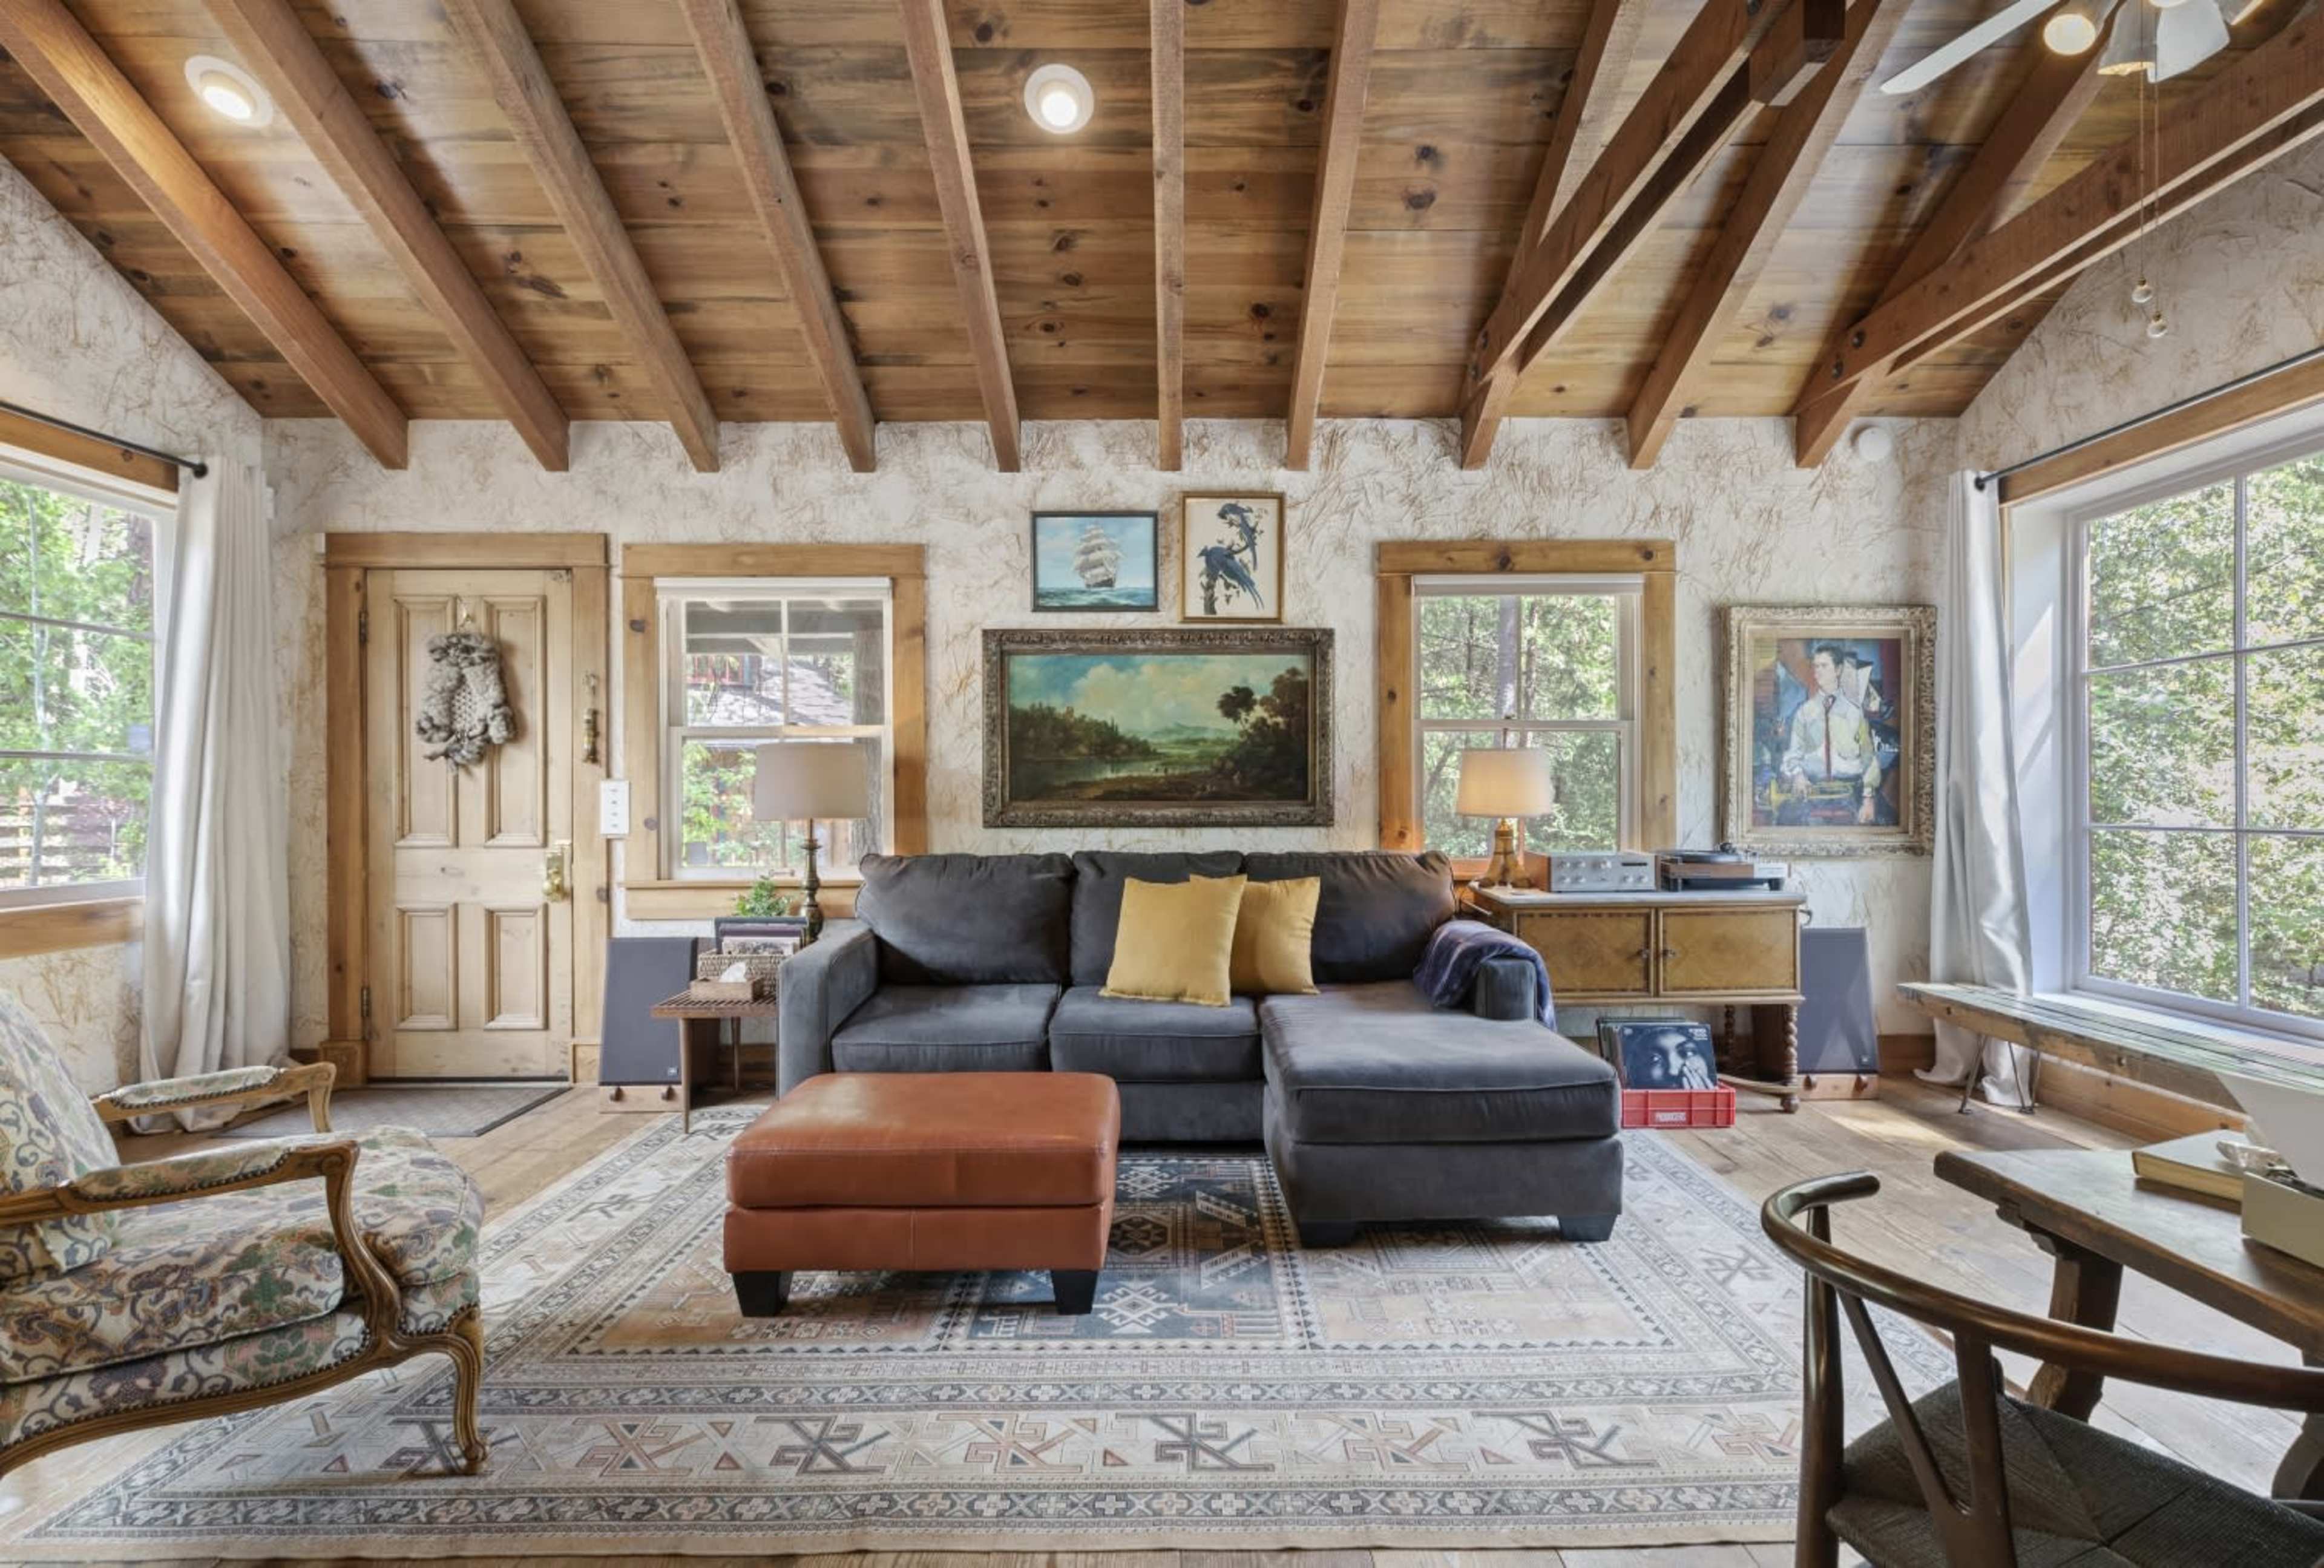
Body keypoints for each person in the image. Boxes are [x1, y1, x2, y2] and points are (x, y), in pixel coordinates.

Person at [1779, 643, 1882, 825]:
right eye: (1816, 666)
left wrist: (1868, 799)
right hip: (1811, 792)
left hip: (1850, 793)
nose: (1818, 671)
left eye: (1824, 666)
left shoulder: (1854, 712)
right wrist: (1798, 775)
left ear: (1838, 670)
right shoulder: (1804, 712)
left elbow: (1868, 757)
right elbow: (1793, 753)